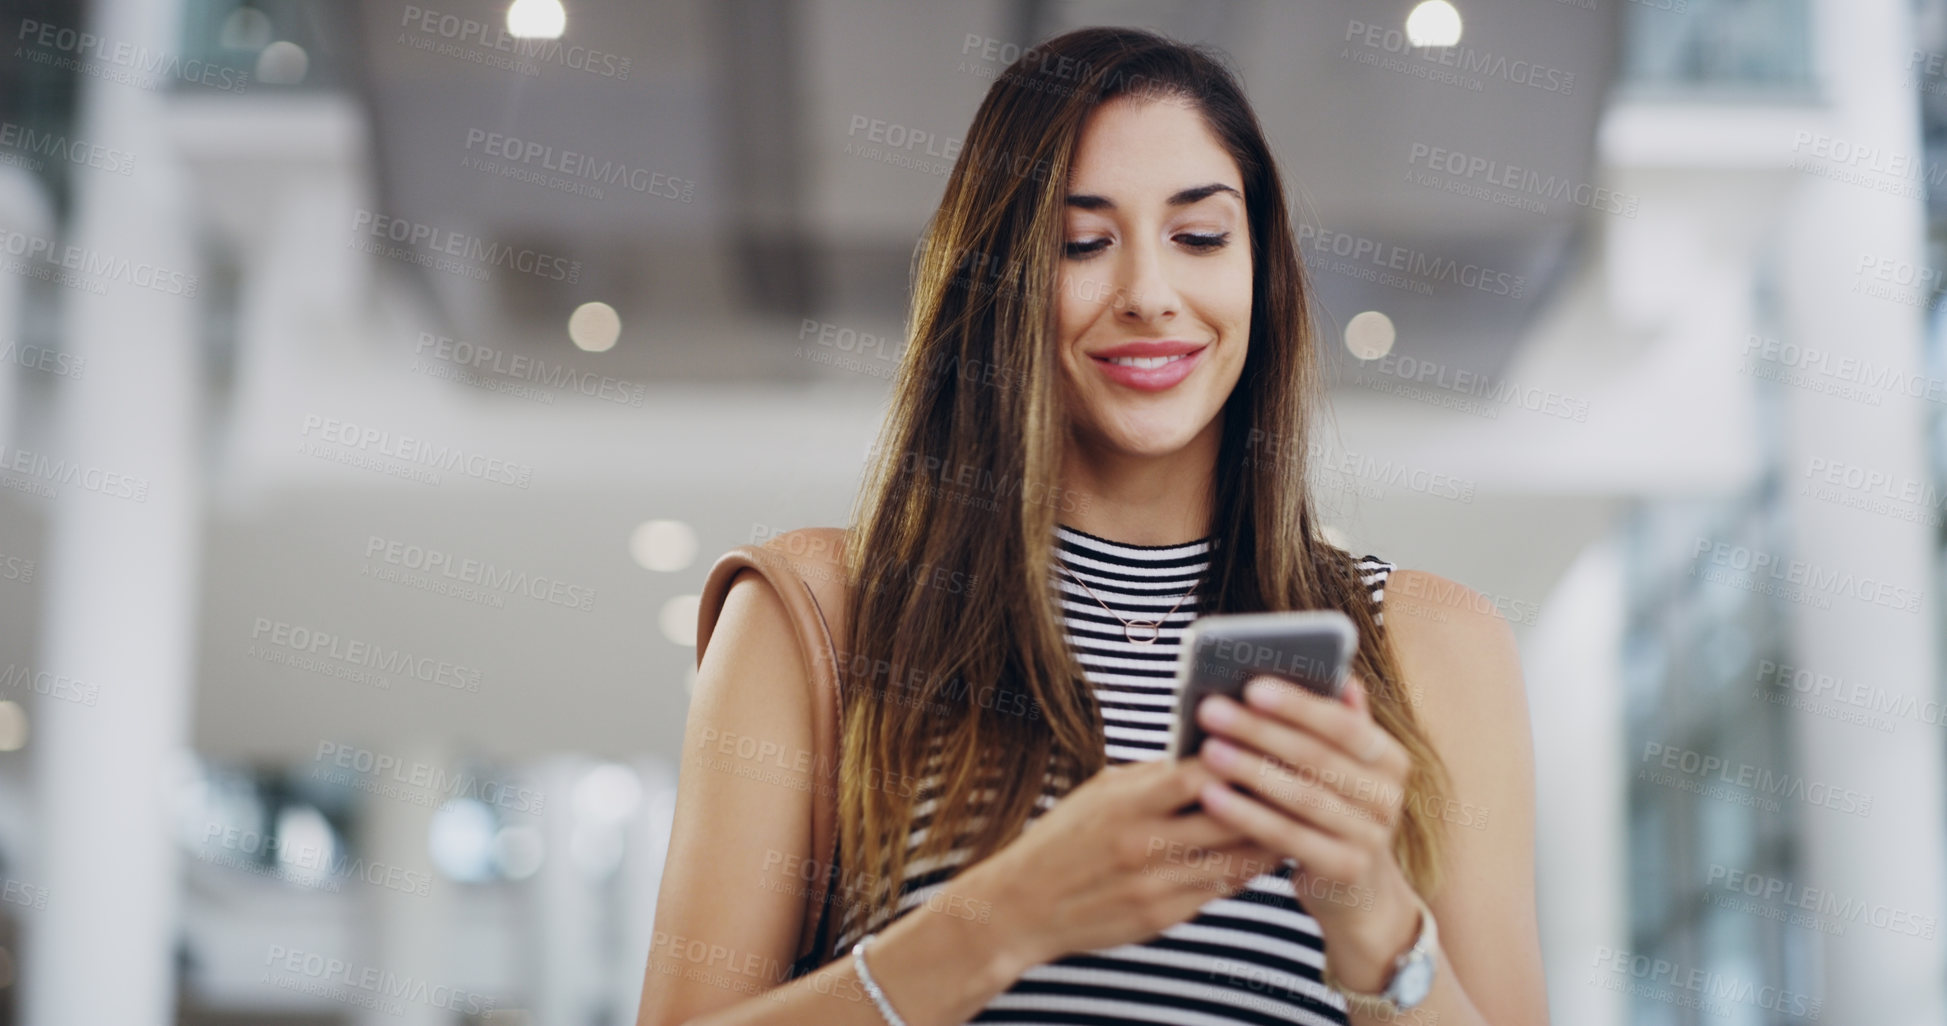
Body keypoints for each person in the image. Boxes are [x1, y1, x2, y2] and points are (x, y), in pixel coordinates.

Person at [638, 25, 1547, 1026]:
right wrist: (1002, 923)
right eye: (1082, 244)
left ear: (1261, 271)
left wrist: (1376, 921)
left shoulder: (1428, 646)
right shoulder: (825, 610)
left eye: (1199, 238)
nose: (1151, 296)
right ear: (997, 281)